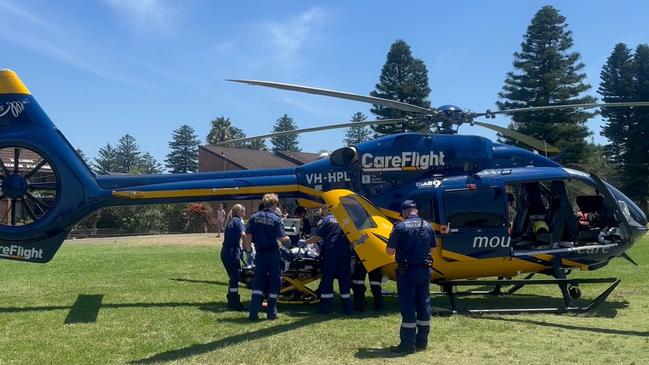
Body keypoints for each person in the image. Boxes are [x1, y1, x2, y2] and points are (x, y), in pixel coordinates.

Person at [386, 200, 436, 354]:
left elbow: (389, 251)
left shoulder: (400, 227)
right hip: (424, 270)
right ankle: (422, 341)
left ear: (405, 212)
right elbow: (433, 248)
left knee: (408, 306)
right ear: (416, 210)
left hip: (407, 272)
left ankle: (407, 345)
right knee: (424, 304)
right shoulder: (427, 226)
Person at [244, 193, 290, 320]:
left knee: (258, 282)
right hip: (273, 254)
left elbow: (248, 235)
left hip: (260, 255)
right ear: (274, 204)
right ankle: (271, 312)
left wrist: (248, 252)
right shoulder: (276, 219)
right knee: (274, 282)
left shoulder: (254, 217)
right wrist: (288, 238)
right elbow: (281, 238)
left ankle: (254, 312)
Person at [305, 205, 353, 315]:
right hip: (345, 253)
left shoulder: (327, 220)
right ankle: (348, 308)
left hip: (330, 253)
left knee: (327, 279)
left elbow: (317, 237)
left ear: (328, 209)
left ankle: (325, 308)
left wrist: (305, 242)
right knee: (344, 280)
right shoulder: (347, 220)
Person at [220, 204, 246, 311]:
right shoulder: (238, 221)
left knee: (233, 277)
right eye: (243, 211)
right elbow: (243, 234)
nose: (245, 214)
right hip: (232, 252)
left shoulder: (230, 221)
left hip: (225, 252)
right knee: (235, 277)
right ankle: (234, 302)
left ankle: (231, 299)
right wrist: (247, 247)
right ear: (239, 212)